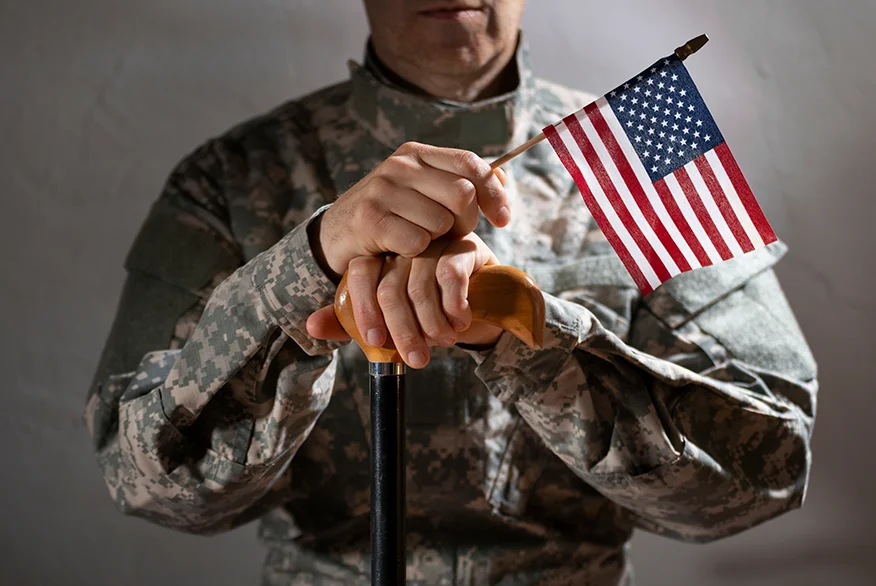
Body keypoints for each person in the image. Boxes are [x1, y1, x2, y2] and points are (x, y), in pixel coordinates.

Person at [84, 1, 819, 584]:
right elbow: (145, 482)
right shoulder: (233, 177)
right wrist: (302, 269)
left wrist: (526, 329)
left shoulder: (646, 153)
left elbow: (767, 471)